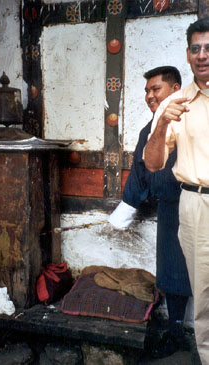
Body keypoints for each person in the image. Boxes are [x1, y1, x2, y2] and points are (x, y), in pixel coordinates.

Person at [109, 66, 192, 358]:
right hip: (169, 207)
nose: (149, 96)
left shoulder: (193, 117)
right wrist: (129, 204)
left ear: (175, 88)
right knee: (171, 270)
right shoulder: (150, 128)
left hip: (196, 206)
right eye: (146, 90)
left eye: (155, 89)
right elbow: (140, 171)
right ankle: (177, 331)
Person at [144, 18, 209, 364]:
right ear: (187, 54)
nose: (203, 55)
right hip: (195, 203)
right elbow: (152, 164)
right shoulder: (176, 105)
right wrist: (164, 122)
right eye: (196, 48)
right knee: (204, 295)